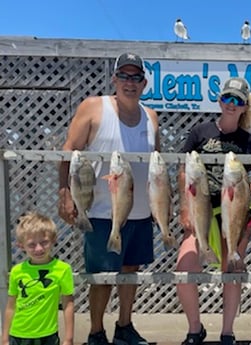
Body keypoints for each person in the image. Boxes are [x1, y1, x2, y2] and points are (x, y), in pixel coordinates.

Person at [58, 52, 160, 345]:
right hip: (100, 211)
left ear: (144, 83)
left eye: (136, 77)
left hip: (139, 212)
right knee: (101, 276)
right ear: (114, 78)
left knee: (131, 272)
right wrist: (64, 193)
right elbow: (68, 151)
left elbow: (156, 165)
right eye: (124, 76)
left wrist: (158, 206)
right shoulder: (93, 107)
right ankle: (96, 332)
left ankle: (125, 327)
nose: (130, 82)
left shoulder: (151, 116)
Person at [176, 77, 251, 345]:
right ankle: (195, 328)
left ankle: (227, 332)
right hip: (202, 208)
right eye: (228, 98)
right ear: (219, 100)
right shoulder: (200, 132)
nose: (232, 104)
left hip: (236, 211)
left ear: (245, 106)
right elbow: (182, 170)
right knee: (184, 268)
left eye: (238, 100)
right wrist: (183, 207)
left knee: (232, 269)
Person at [2, 211, 74, 345]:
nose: (39, 248)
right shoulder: (17, 271)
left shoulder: (63, 269)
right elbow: (11, 306)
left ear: (53, 240)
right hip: (18, 335)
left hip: (48, 335)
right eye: (31, 244)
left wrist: (68, 338)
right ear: (21, 246)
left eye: (44, 242)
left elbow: (68, 304)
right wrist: (5, 338)